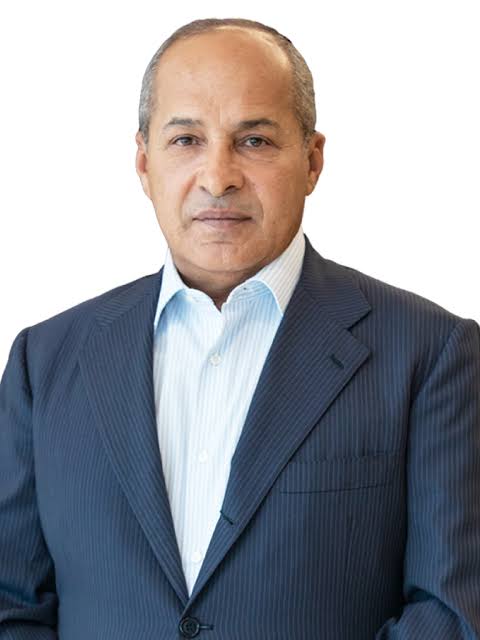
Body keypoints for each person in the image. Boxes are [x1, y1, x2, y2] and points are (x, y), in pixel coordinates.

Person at [0, 17, 479, 640]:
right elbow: (12, 602)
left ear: (312, 160)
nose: (218, 176)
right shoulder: (44, 360)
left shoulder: (432, 353)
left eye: (254, 140)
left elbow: (451, 612)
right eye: (186, 140)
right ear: (144, 163)